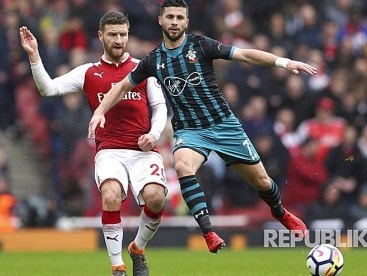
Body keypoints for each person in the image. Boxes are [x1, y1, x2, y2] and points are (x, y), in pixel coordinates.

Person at [88, 0, 317, 254]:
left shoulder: (201, 45)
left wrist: (283, 62)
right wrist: (99, 111)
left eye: (179, 18)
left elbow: (245, 55)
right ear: (160, 21)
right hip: (189, 131)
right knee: (183, 165)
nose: (174, 22)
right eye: (170, 17)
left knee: (263, 182)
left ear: (186, 22)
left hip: (224, 125)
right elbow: (120, 87)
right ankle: (208, 232)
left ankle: (281, 213)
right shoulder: (154, 60)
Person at [20, 11, 169, 276]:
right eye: (113, 35)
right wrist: (34, 56)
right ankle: (118, 267)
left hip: (143, 149)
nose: (119, 40)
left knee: (156, 199)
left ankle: (137, 249)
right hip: (110, 151)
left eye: (123, 34)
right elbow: (48, 89)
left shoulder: (143, 67)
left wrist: (155, 135)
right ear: (101, 36)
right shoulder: (89, 72)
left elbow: (159, 108)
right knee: (111, 195)